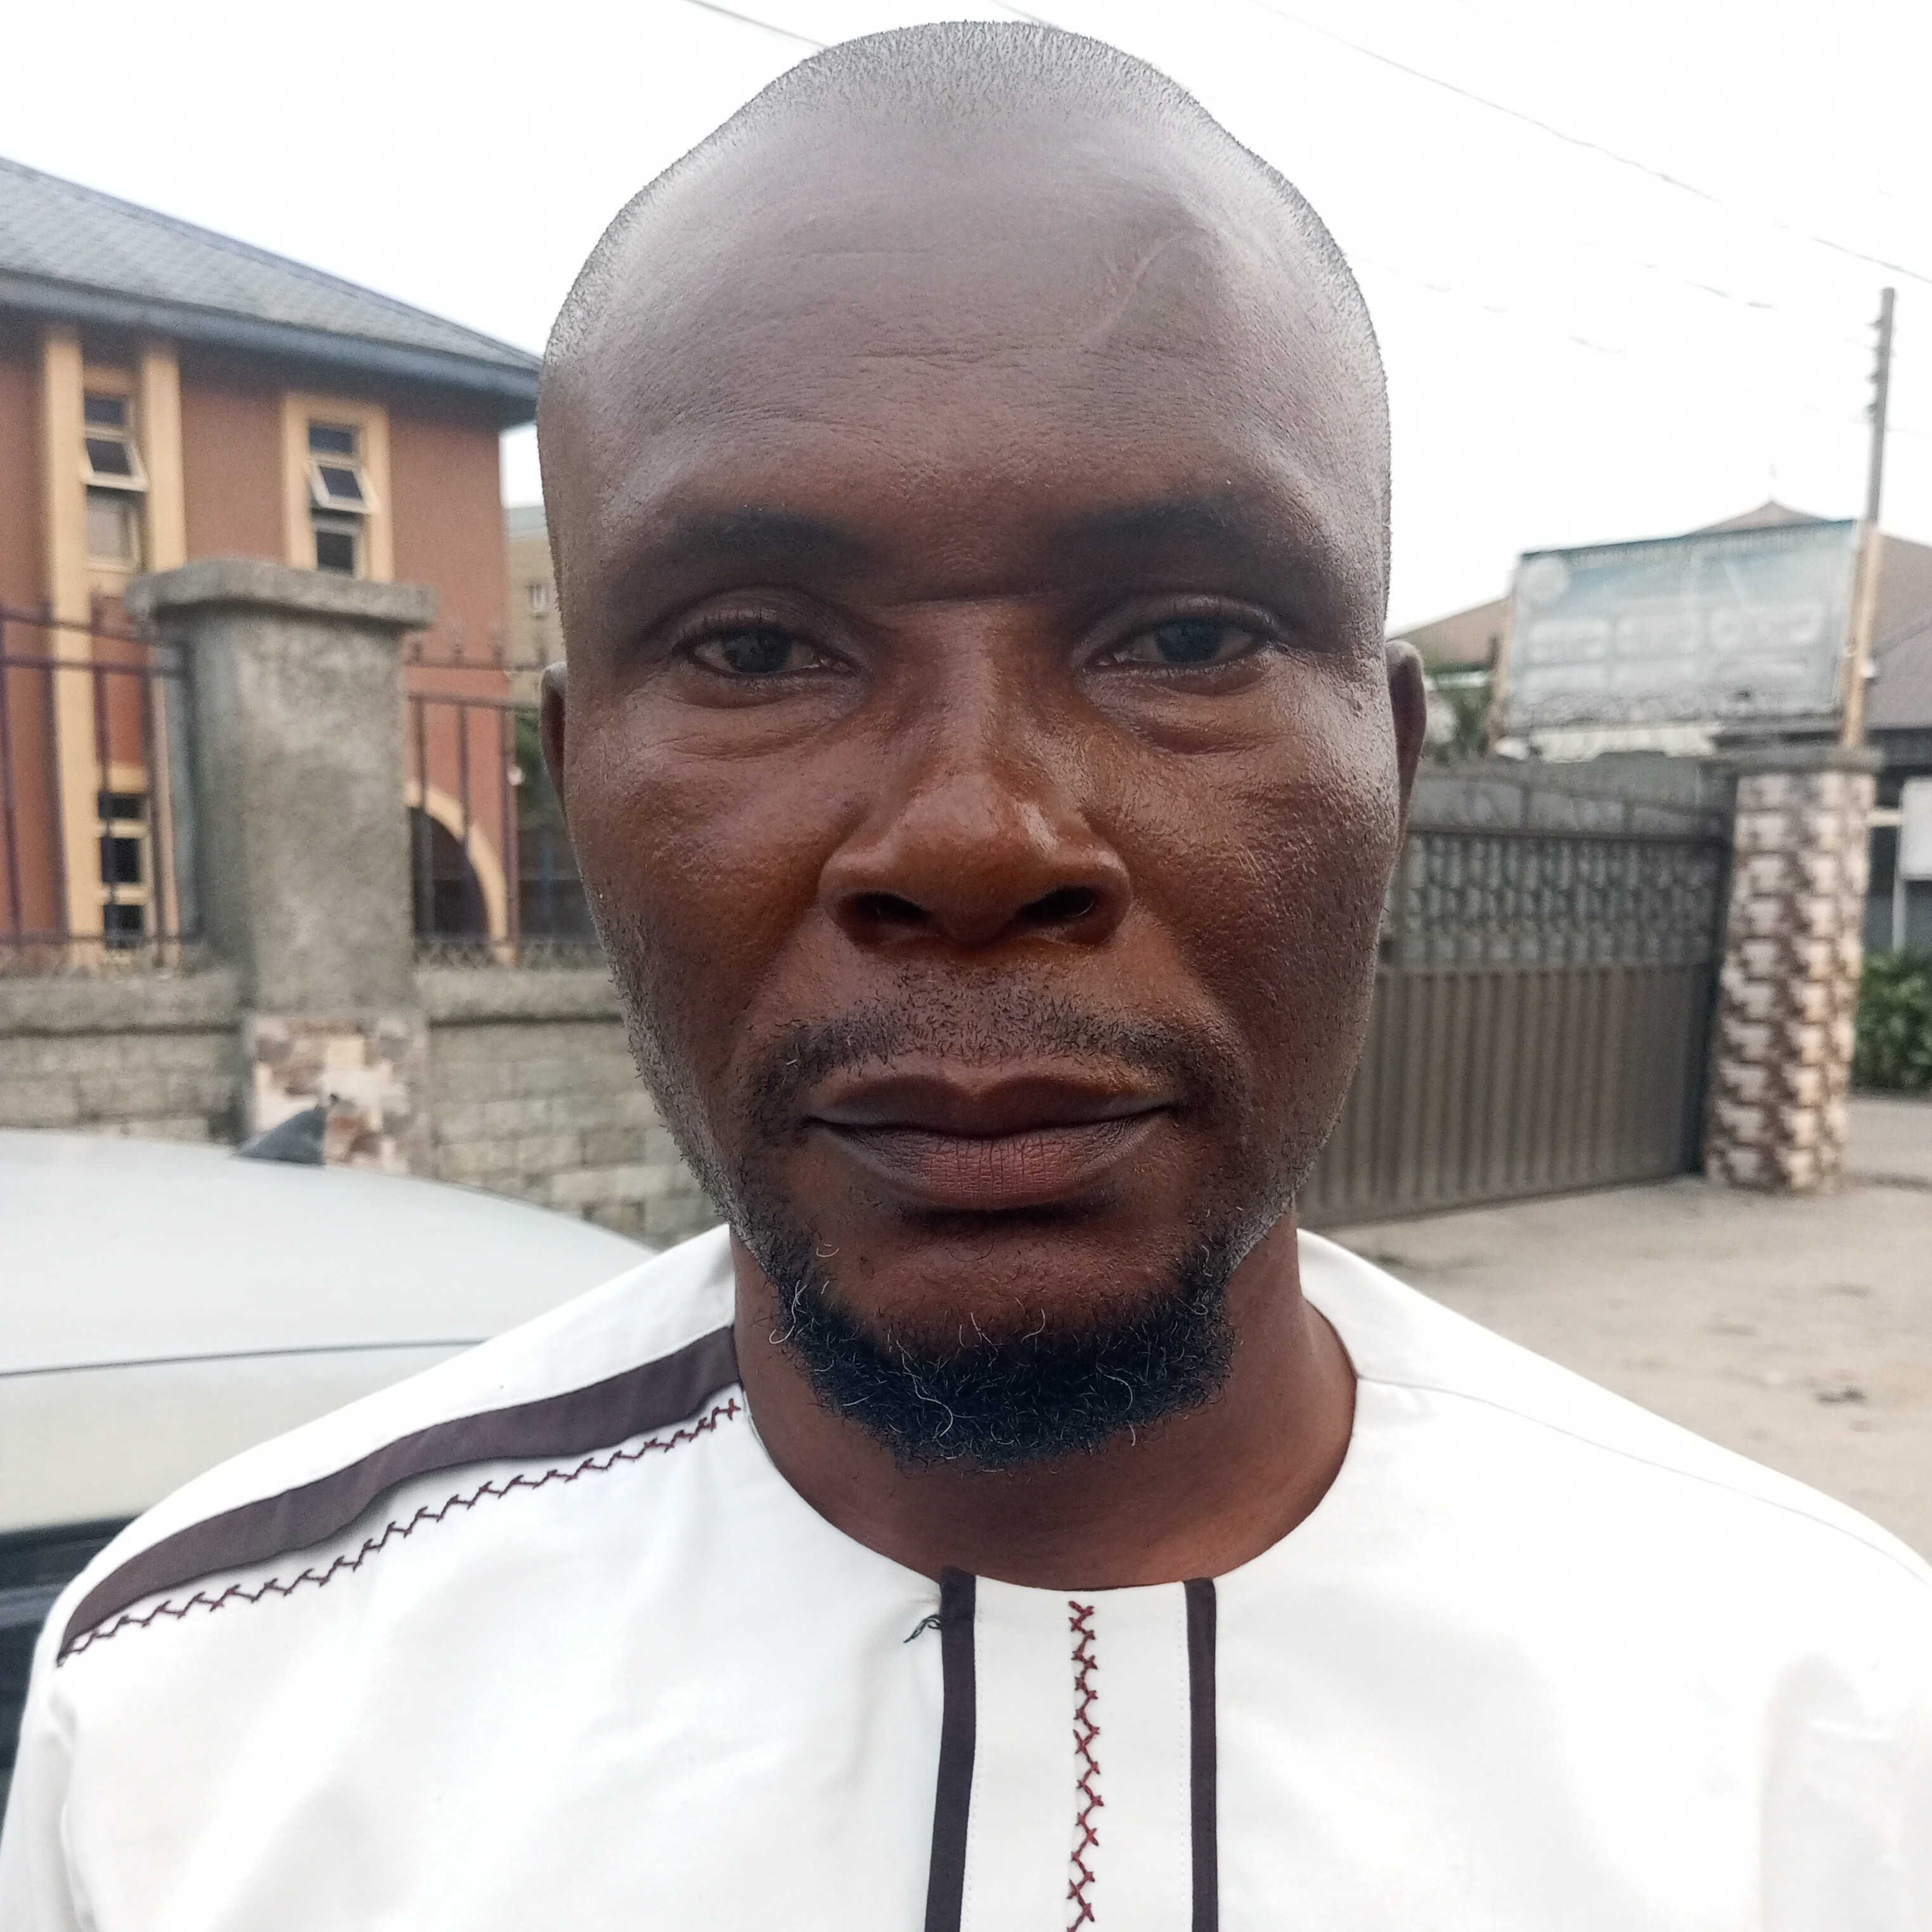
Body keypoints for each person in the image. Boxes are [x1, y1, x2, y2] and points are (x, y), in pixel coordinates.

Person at [4, 23, 1928, 1929]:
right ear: (576, 782)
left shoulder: (1830, 1740)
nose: (973, 843)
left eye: (1187, 634)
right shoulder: (200, 1731)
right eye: (757, 650)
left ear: (1395, 777)